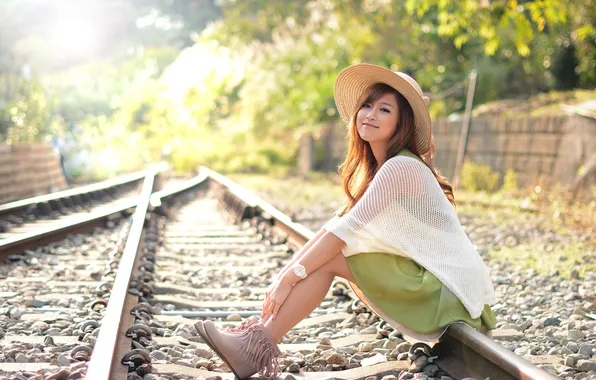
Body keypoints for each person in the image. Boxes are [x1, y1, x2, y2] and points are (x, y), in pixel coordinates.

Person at [195, 63, 497, 380]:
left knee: (333, 258)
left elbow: (342, 234)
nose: (370, 114)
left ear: (401, 123)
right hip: (440, 286)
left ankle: (254, 349)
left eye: (384, 110)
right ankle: (253, 344)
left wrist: (288, 280)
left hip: (449, 293)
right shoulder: (380, 169)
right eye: (367, 105)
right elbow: (334, 225)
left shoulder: (400, 168)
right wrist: (287, 273)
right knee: (328, 256)